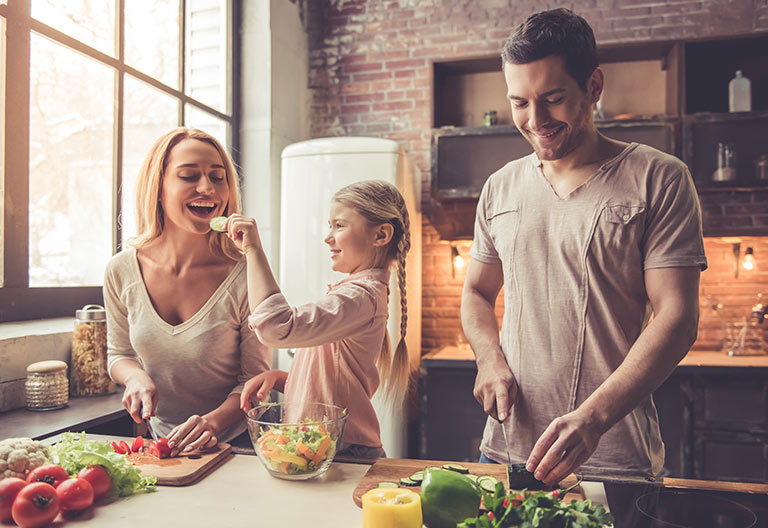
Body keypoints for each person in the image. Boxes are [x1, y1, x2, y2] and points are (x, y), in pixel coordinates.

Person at [461, 8, 707, 484]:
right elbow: (475, 292)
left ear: (593, 86)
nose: (536, 121)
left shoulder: (659, 178)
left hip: (613, 458)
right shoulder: (500, 187)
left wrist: (593, 418)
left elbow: (677, 317)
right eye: (520, 103)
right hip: (509, 448)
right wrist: (488, 358)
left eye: (553, 99)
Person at [105, 128, 271, 456]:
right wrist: (135, 377)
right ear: (158, 187)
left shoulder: (245, 275)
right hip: (163, 444)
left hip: (240, 446)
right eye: (189, 175)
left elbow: (256, 381)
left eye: (218, 177)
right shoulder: (121, 270)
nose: (208, 188)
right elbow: (118, 354)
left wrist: (212, 424)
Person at [226, 180, 411, 459]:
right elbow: (332, 383)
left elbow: (276, 327)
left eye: (339, 225)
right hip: (329, 448)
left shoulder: (361, 296)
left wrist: (253, 250)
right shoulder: (359, 295)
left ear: (381, 235)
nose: (328, 237)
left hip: (344, 452)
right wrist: (282, 379)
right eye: (330, 225)